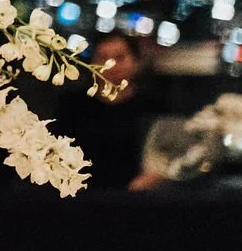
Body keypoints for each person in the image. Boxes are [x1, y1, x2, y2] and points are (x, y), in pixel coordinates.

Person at [53, 33, 162, 191]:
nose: (110, 65)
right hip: (81, 195)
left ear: (136, 61)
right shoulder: (73, 105)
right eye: (102, 58)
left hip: (138, 198)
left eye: (119, 58)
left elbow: (166, 153)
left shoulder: (153, 105)